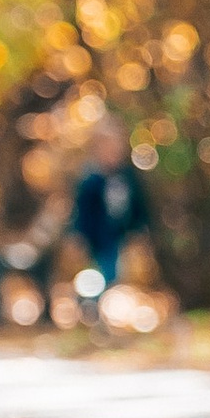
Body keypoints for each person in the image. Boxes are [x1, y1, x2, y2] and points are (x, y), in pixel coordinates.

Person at [68, 125, 152, 302]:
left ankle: (114, 306)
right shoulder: (90, 180)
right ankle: (91, 305)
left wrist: (140, 230)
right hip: (96, 238)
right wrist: (78, 236)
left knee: (121, 273)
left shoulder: (128, 177)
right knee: (97, 274)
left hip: (121, 235)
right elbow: (81, 212)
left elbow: (138, 207)